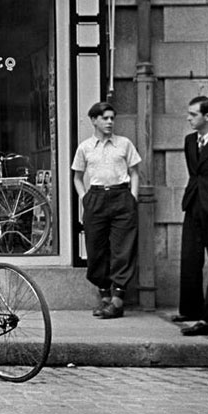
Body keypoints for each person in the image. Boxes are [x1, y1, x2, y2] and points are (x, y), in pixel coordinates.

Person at [72, 102, 141, 320]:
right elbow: (77, 177)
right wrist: (85, 198)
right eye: (105, 118)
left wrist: (133, 197)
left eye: (112, 118)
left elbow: (135, 172)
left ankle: (118, 299)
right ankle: (104, 296)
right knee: (96, 249)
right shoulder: (85, 147)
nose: (110, 122)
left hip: (122, 197)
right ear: (93, 120)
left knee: (123, 248)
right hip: (96, 198)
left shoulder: (124, 144)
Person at [176, 96, 208, 336]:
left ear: (207, 116)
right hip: (194, 203)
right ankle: (191, 308)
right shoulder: (189, 141)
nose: (189, 118)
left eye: (193, 114)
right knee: (189, 257)